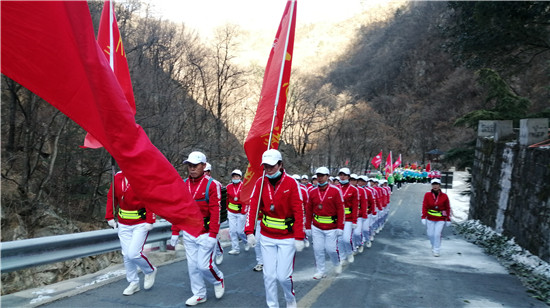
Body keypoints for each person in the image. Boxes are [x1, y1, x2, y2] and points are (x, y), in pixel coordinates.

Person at [245, 149, 305, 308]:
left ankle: (290, 298)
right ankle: (272, 305)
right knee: (269, 276)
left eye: (272, 165)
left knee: (283, 277)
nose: (268, 169)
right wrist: (249, 231)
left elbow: (299, 211)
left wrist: (299, 236)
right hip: (266, 237)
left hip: (287, 237)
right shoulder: (260, 182)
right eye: (265, 166)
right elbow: (253, 208)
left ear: (280, 165)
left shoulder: (291, 183)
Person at [172, 151, 224, 306]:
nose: (192, 168)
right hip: (188, 233)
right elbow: (178, 210)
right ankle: (200, 294)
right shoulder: (183, 184)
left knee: (204, 265)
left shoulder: (212, 185)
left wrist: (213, 235)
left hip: (206, 233)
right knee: (193, 266)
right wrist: (175, 232)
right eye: (189, 165)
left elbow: (216, 212)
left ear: (203, 165)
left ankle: (218, 279)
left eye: (195, 165)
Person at [105, 170, 157, 296]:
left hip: (140, 223)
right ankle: (133, 283)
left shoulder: (143, 177)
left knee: (133, 254)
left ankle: (149, 270)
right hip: (123, 223)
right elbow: (112, 197)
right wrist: (109, 216)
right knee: (126, 255)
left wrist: (151, 219)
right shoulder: (117, 177)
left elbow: (150, 199)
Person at [305, 167, 345, 279]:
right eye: (318, 176)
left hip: (331, 227)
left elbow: (340, 210)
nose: (320, 178)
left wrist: (340, 227)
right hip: (317, 226)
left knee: (331, 249)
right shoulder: (312, 192)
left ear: (328, 177)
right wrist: (307, 226)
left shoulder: (336, 191)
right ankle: (320, 271)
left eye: (322, 176)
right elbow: (308, 210)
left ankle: (336, 263)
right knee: (318, 249)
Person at [422, 178, 452, 257]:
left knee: (437, 234)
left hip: (440, 219)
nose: (435, 186)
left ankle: (436, 249)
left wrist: (448, 219)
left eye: (437, 184)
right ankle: (433, 245)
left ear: (439, 186)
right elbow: (424, 206)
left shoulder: (444, 196)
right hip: (430, 218)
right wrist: (423, 216)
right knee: (430, 234)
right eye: (433, 184)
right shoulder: (427, 195)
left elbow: (447, 207)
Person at [203, 163, 224, 264]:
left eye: (205, 172)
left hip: (213, 216)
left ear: (209, 172)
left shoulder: (216, 184)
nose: (204, 174)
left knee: (213, 236)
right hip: (201, 218)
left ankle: (218, 253)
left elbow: (219, 202)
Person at [337, 167, 359, 264]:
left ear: (348, 177)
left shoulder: (354, 190)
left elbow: (355, 206)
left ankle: (349, 252)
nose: (342, 177)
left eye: (344, 175)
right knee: (339, 239)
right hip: (337, 218)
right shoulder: (335, 188)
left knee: (346, 239)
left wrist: (354, 221)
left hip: (348, 219)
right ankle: (342, 257)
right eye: (341, 175)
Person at [226, 169, 249, 255]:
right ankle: (235, 248)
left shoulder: (244, 186)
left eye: (237, 176)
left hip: (241, 212)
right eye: (234, 176)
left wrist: (244, 211)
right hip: (231, 212)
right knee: (232, 231)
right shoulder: (228, 187)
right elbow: (227, 198)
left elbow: (246, 199)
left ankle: (246, 242)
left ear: (240, 177)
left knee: (240, 231)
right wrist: (227, 207)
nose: (235, 178)